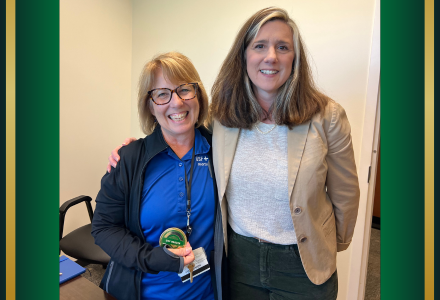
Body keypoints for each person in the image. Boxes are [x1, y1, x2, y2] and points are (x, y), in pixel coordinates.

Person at [108, 7, 360, 300]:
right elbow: (179, 125)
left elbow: (346, 194)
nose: (271, 57)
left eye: (283, 47)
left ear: (296, 58)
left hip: (303, 264)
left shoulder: (326, 116)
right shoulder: (223, 116)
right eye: (260, 46)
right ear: (244, 56)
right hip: (239, 262)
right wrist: (135, 148)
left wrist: (329, 244)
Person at [92, 52, 225, 300]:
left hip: (206, 292)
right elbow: (104, 227)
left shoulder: (221, 151)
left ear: (198, 96)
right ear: (150, 105)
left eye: (185, 89)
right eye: (162, 94)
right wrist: (153, 259)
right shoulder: (130, 159)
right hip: (143, 292)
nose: (176, 103)